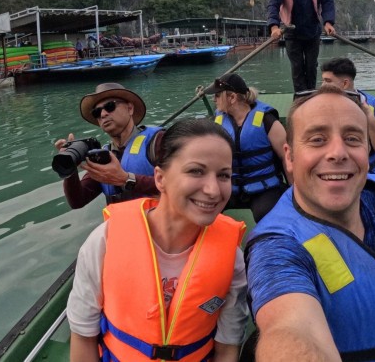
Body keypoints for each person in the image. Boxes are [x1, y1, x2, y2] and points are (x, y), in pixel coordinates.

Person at [246, 85, 375, 361]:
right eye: (317, 140)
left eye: (352, 138)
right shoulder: (277, 248)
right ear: (289, 157)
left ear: (367, 149)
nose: (338, 152)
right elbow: (287, 330)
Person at [67, 118, 249, 362]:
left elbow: (227, 348)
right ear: (160, 179)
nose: (213, 190)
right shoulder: (103, 242)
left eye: (224, 175)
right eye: (196, 171)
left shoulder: (231, 258)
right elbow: (83, 337)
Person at [54, 83, 164, 208]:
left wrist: (126, 179)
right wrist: (69, 165)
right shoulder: (102, 157)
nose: (103, 114)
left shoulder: (159, 141)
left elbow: (177, 186)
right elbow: (77, 201)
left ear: (130, 109)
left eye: (110, 106)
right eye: (97, 112)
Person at [204, 73, 290, 223]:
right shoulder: (217, 122)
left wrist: (295, 192)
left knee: (266, 215)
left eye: (217, 95)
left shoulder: (267, 121)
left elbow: (286, 158)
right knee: (204, 209)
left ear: (232, 98)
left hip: (264, 188)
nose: (214, 99)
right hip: (230, 187)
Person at [266, 0, 336, 92]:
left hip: (312, 31)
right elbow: (273, 4)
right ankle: (300, 98)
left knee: (311, 66)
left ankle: (310, 96)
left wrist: (328, 22)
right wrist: (274, 26)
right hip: (291, 32)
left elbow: (327, 0)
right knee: (297, 67)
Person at [321, 57, 375, 173]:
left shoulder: (373, 106)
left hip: (368, 172)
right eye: (323, 81)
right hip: (328, 169)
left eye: (328, 81)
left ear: (345, 83)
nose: (322, 86)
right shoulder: (317, 106)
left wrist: (369, 118)